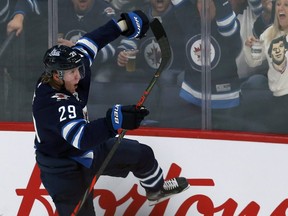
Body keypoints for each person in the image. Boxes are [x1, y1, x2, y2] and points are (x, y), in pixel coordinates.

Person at [32, 10, 189, 215]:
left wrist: (122, 26)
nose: (79, 75)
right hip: (62, 169)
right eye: (72, 72)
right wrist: (115, 120)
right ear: (56, 76)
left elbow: (92, 41)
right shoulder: (53, 102)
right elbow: (81, 137)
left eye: (78, 69)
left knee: (141, 154)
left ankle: (155, 189)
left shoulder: (71, 69)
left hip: (87, 150)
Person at [243, 0, 288, 133]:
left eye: (286, 5)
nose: (281, 8)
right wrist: (249, 47)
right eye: (278, 4)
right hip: (278, 100)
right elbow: (254, 61)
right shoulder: (268, 34)